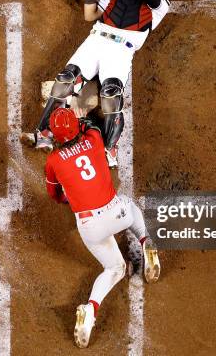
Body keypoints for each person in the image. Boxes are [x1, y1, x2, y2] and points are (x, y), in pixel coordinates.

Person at [22, 0, 171, 168]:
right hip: (96, 42)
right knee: (64, 81)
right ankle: (45, 134)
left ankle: (109, 150)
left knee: (111, 95)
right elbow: (89, 15)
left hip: (120, 51)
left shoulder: (160, 1)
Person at [44, 108, 161, 348]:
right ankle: (146, 244)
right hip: (116, 213)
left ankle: (90, 310)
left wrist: (70, 197)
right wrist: (82, 114)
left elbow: (55, 196)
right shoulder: (93, 139)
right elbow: (91, 125)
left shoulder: (53, 161)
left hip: (91, 227)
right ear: (77, 129)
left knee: (115, 269)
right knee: (130, 206)